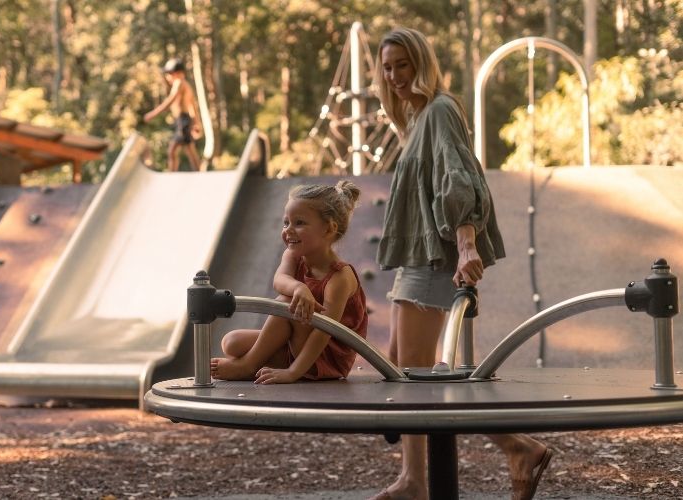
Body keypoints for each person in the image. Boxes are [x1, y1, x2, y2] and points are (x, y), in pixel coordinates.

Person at [370, 28, 552, 500]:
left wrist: (467, 245)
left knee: (415, 374)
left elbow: (458, 177)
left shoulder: (441, 110)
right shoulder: (416, 119)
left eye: (402, 65)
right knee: (401, 366)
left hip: (435, 256)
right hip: (418, 256)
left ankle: (515, 448)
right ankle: (415, 476)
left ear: (422, 63)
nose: (394, 76)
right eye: (387, 68)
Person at [211, 181, 367, 384]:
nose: (288, 230)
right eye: (286, 223)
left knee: (286, 301)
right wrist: (299, 287)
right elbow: (279, 280)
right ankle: (261, 368)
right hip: (298, 342)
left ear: (329, 229)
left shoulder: (339, 278)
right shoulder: (293, 256)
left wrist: (292, 373)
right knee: (231, 343)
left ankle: (248, 366)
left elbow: (323, 333)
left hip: (325, 356)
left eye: (299, 223)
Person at [143, 58, 202, 172]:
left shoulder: (179, 83)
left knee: (173, 150)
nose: (167, 77)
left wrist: (152, 114)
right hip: (184, 120)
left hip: (183, 120)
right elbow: (192, 107)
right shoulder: (186, 85)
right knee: (189, 150)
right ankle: (198, 173)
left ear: (178, 73)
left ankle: (172, 174)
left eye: (169, 74)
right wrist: (196, 123)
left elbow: (170, 101)